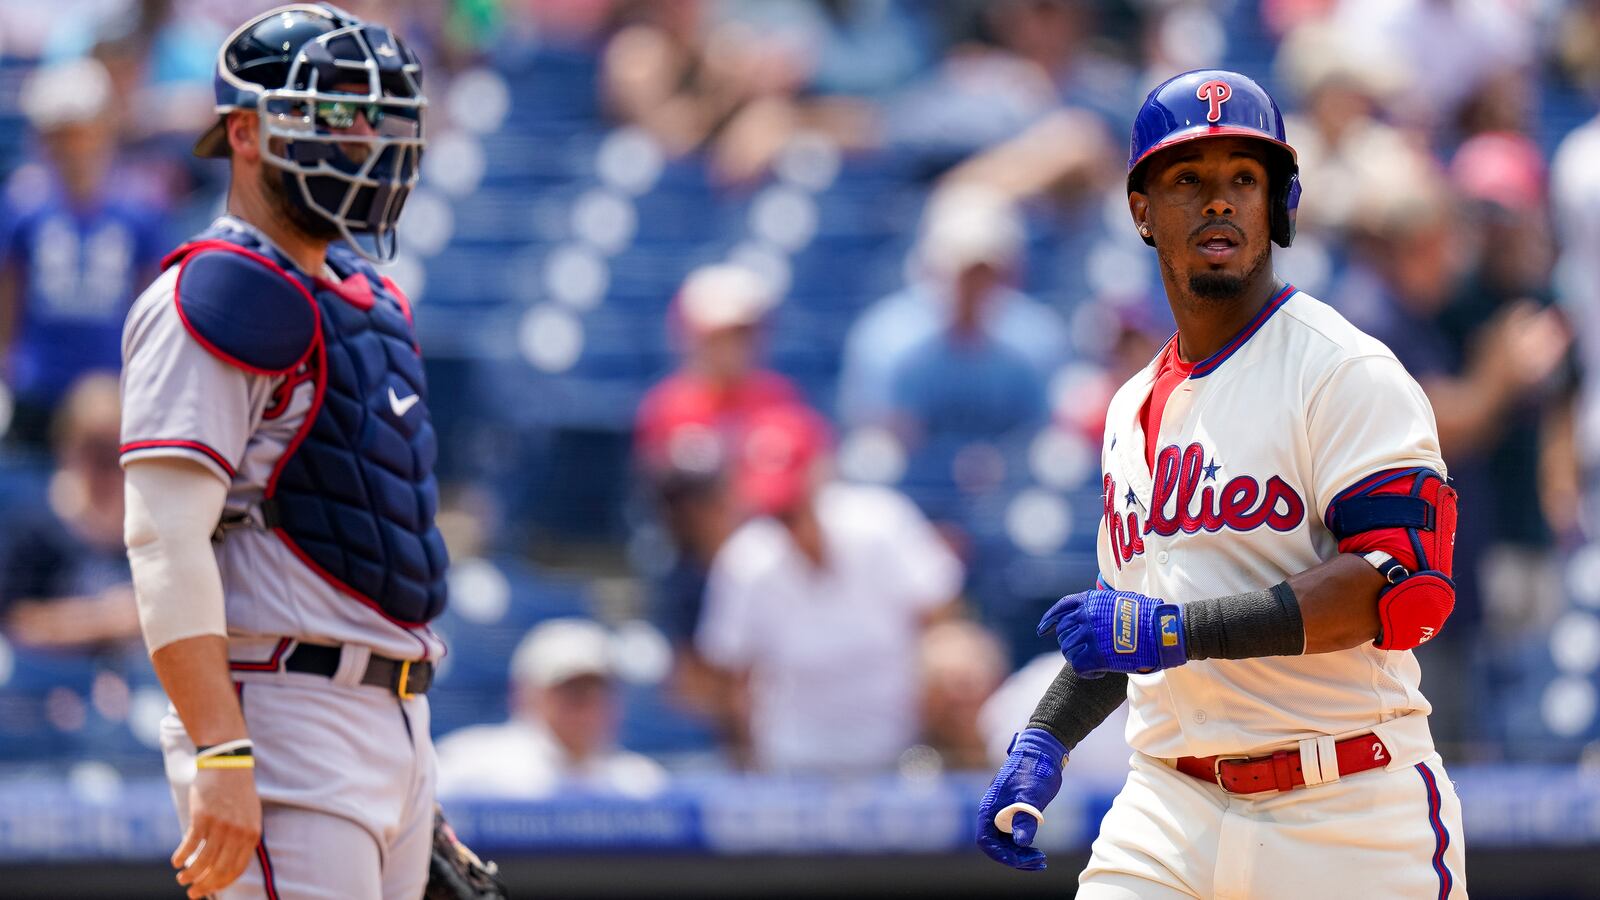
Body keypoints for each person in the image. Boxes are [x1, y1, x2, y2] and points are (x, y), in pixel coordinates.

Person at [976, 70, 1466, 899]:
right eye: (1189, 181)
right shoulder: (1130, 407)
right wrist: (1045, 739)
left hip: (1344, 805)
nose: (1220, 202)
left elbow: (1401, 589)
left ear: (1278, 205)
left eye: (1245, 178)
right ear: (1142, 211)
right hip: (1170, 805)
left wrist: (1174, 631)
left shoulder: (1342, 369)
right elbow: (1129, 619)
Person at [119, 7, 446, 898]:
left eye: (374, 115)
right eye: (335, 113)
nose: (365, 137)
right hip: (280, 712)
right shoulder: (220, 289)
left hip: (392, 715)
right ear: (246, 132)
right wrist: (221, 748)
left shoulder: (372, 300)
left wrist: (402, 749)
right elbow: (163, 540)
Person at [695, 403, 964, 773]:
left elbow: (944, 621)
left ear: (820, 475)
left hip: (899, 752)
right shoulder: (744, 562)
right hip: (793, 763)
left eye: (793, 506)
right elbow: (731, 678)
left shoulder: (881, 523)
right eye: (777, 511)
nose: (787, 521)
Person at [0, 57, 166, 450]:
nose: (74, 146)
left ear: (106, 128)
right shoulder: (23, 205)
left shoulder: (140, 206)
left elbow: (150, 299)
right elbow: (10, 292)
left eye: (82, 131)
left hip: (113, 387)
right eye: (61, 134)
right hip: (38, 383)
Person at [837, 185, 1068, 439]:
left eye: (985, 273)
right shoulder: (884, 339)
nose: (974, 285)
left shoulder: (1039, 338)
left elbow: (1043, 431)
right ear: (930, 268)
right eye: (964, 272)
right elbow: (871, 430)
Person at [435, 617, 668, 799]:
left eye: (598, 693)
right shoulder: (469, 765)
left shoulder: (637, 781)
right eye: (572, 692)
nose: (587, 707)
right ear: (527, 694)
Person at [0, 372, 140, 650]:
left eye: (118, 450)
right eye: (95, 449)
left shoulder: (151, 522)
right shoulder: (31, 521)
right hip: (46, 682)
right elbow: (13, 620)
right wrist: (106, 621)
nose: (108, 463)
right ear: (67, 445)